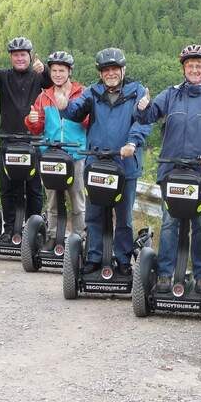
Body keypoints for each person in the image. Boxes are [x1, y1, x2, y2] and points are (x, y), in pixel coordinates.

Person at [136, 43, 201, 293]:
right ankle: (165, 274)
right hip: (172, 171)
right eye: (190, 65)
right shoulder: (171, 94)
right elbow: (149, 116)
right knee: (170, 222)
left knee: (200, 224)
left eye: (199, 66)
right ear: (184, 68)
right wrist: (142, 107)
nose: (194, 69)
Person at [57, 48, 152, 275]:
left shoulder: (136, 91)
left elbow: (143, 121)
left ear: (123, 70)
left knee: (124, 217)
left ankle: (123, 259)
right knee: (94, 214)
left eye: (114, 69)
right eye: (106, 70)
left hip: (125, 164)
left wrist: (132, 142)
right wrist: (65, 106)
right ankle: (94, 257)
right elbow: (76, 112)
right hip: (97, 163)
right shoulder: (93, 92)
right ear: (100, 73)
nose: (110, 73)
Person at [0, 37, 50, 243]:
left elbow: (52, 81)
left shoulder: (38, 76)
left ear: (30, 56)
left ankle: (32, 229)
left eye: (23, 55)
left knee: (33, 189)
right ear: (11, 57)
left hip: (32, 140)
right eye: (16, 55)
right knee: (8, 187)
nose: (19, 58)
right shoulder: (4, 76)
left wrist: (44, 69)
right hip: (7, 140)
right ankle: (9, 229)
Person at [24, 51, 88, 244]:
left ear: (70, 71)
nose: (58, 74)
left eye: (62, 70)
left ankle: (79, 239)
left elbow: (89, 122)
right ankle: (53, 237)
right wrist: (31, 120)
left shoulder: (82, 93)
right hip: (51, 154)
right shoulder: (44, 96)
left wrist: (76, 111)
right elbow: (37, 128)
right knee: (52, 200)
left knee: (77, 200)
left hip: (75, 154)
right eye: (54, 71)